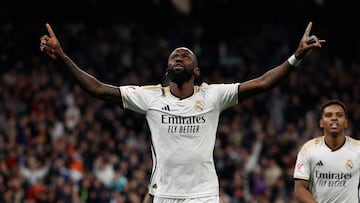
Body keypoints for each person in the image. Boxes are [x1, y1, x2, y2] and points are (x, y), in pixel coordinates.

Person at [40, 21, 324, 203]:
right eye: (174, 56)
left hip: (203, 194)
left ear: (196, 70)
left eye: (185, 55)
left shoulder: (214, 95)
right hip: (164, 194)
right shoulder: (150, 97)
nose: (179, 57)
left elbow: (262, 83)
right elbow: (98, 89)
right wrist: (63, 58)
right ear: (167, 70)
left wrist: (296, 57)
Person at [293, 99, 360, 203]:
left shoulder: (358, 149)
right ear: (321, 123)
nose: (334, 118)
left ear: (346, 123)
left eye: (339, 115)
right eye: (329, 115)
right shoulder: (308, 149)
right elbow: (299, 188)